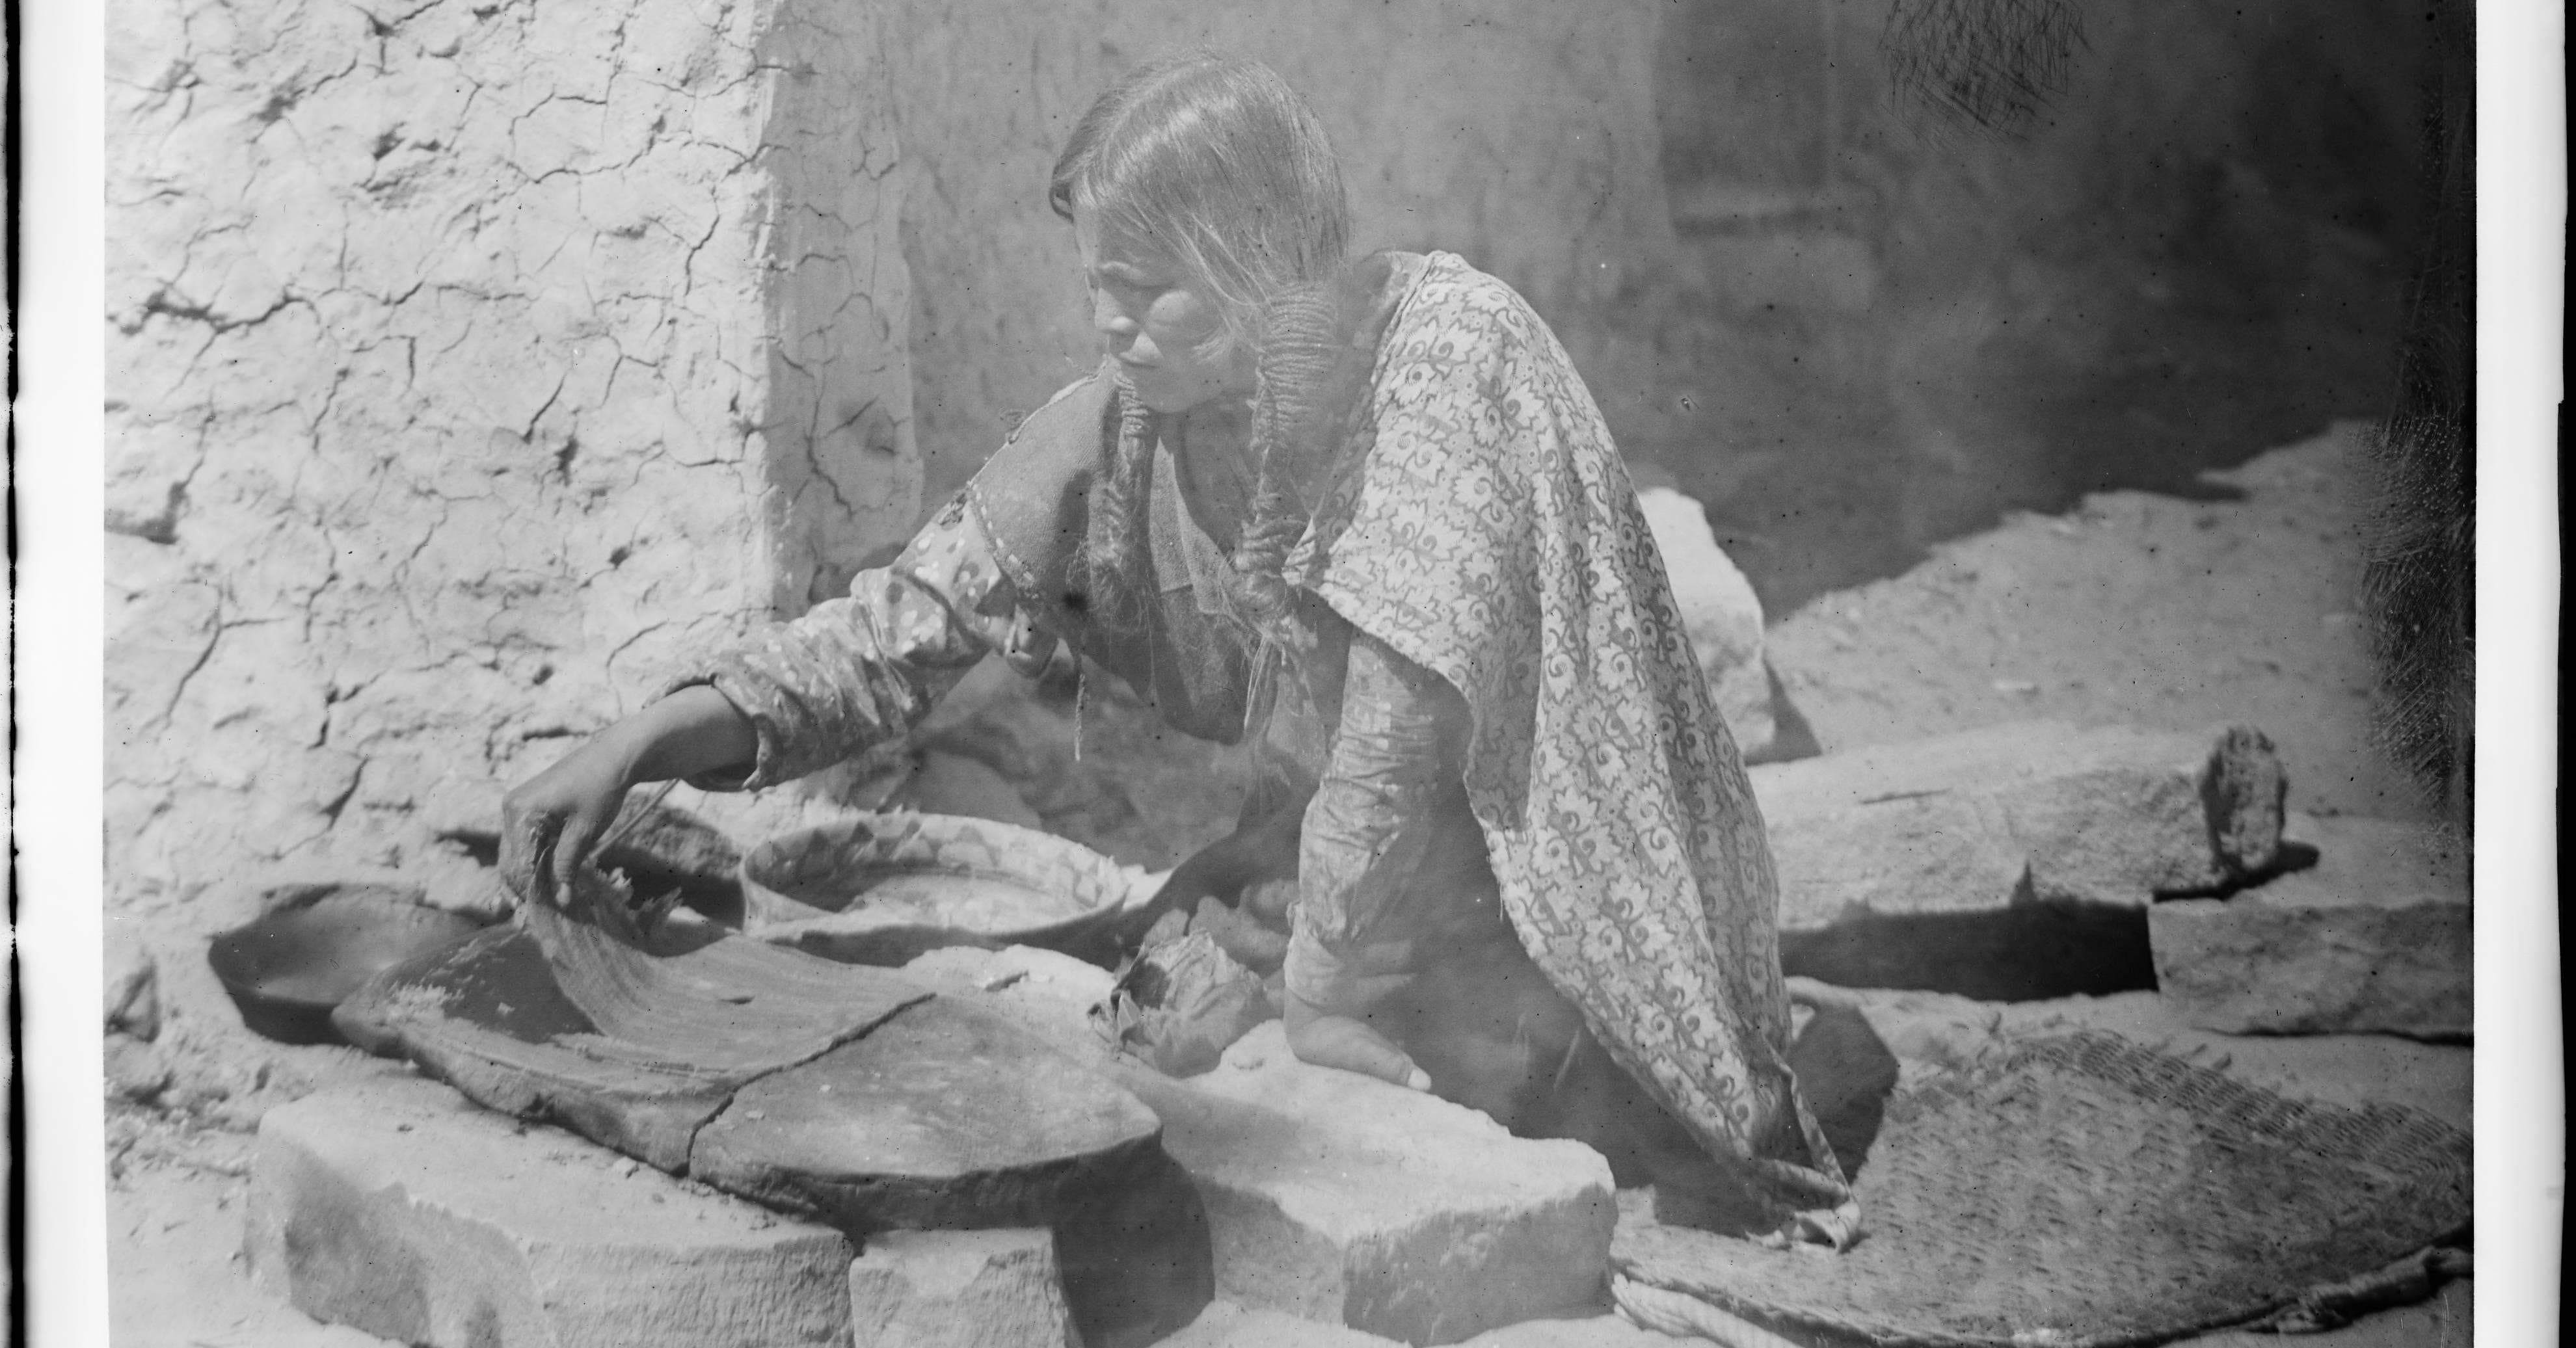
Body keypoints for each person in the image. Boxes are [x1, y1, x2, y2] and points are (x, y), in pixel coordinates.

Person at [502, 49, 1855, 1245]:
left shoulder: (1444, 357)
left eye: (1149, 289)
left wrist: (1322, 993)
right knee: (1166, 1010)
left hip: (1529, 863)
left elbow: (1399, 722)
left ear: (1257, 266)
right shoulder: (1129, 427)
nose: (1111, 322)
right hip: (1347, 867)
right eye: (1099, 283)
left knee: (1537, 1096)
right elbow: (897, 634)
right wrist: (647, 739)